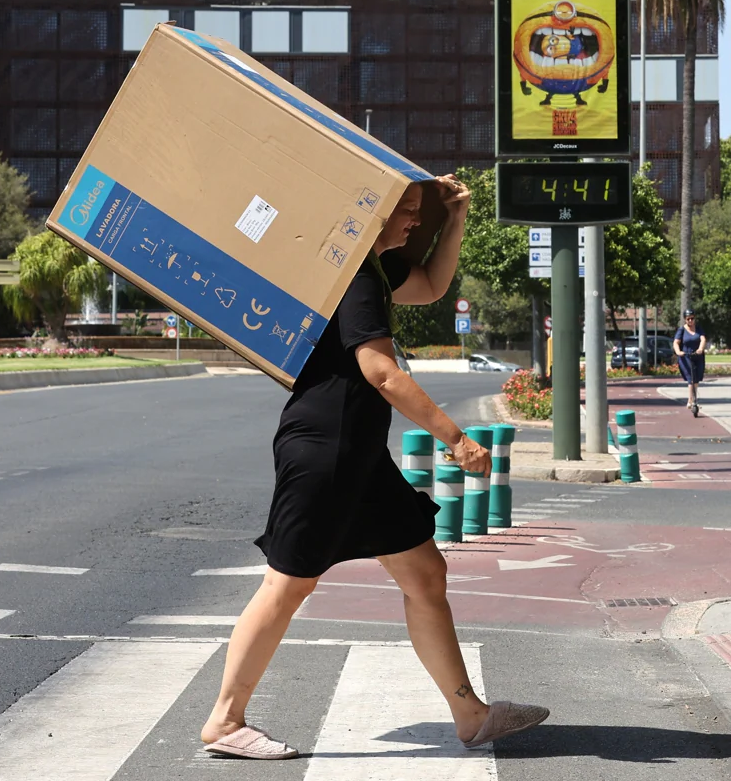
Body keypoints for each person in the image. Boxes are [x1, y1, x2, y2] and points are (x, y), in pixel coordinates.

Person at [200, 175, 550, 760]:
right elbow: (382, 372)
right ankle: (225, 720)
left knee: (425, 574)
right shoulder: (355, 277)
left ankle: (471, 716)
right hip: (327, 450)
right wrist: (455, 439)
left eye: (419, 210)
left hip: (359, 455)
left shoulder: (378, 271)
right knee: (288, 584)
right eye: (406, 210)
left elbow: (434, 285)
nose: (416, 220)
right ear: (367, 216)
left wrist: (454, 218)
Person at [673, 309, 707, 416]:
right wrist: (678, 352)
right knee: (691, 378)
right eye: (688, 319)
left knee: (697, 378)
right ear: (685, 320)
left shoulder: (699, 329)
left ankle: (693, 399)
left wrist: (701, 348)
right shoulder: (681, 330)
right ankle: (690, 400)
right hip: (686, 356)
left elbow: (703, 339)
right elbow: (676, 342)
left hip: (697, 355)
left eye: (692, 318)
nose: (691, 321)